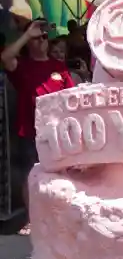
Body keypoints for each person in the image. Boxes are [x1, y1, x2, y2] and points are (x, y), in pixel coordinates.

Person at [0, 20, 75, 232]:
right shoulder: (21, 65)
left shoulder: (58, 67)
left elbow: (71, 97)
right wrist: (26, 35)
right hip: (29, 130)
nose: (41, 41)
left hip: (56, 132)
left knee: (58, 174)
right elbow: (5, 58)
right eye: (36, 38)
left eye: (43, 37)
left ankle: (57, 215)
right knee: (30, 175)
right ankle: (32, 218)